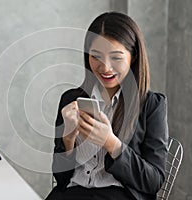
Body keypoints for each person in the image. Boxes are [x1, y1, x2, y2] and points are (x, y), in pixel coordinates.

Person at [46, 12, 168, 200]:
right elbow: (61, 179)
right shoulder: (70, 100)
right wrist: (68, 140)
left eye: (116, 58)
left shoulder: (151, 105)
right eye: (96, 56)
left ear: (133, 57)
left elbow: (153, 181)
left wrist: (111, 143)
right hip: (72, 193)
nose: (105, 67)